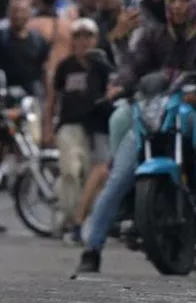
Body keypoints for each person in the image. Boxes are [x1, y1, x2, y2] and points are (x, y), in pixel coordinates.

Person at [78, 0, 196, 274]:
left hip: (191, 116)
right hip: (151, 115)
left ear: (195, 2)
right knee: (118, 177)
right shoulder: (153, 37)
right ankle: (92, 248)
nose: (177, 6)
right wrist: (118, 84)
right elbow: (132, 65)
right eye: (172, 0)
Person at [45, 18, 111, 244]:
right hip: (69, 125)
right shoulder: (65, 66)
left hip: (93, 127)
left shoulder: (102, 66)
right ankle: (72, 219)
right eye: (78, 36)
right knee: (71, 170)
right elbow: (53, 98)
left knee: (89, 175)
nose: (83, 41)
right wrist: (47, 128)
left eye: (88, 36)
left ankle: (77, 220)